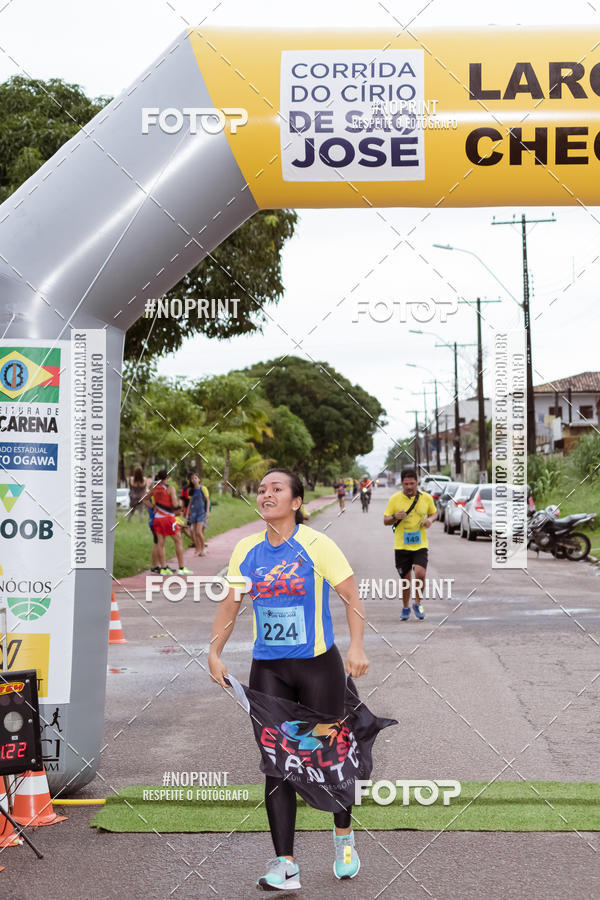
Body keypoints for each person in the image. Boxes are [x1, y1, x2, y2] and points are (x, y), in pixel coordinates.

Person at [209, 468, 370, 891]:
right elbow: (230, 605)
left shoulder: (317, 545)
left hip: (318, 668)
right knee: (277, 764)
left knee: (327, 758)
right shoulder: (246, 549)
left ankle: (344, 838)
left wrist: (356, 647)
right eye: (261, 489)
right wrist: (214, 651)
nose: (266, 494)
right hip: (269, 671)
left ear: (296, 502)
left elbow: (351, 596)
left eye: (276, 489)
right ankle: (286, 863)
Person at [383, 467, 437, 621]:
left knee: (420, 574)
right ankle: (406, 607)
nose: (409, 487)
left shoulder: (426, 498)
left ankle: (417, 603)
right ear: (401, 484)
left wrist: (430, 520)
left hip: (420, 544)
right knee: (406, 580)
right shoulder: (394, 499)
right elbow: (386, 521)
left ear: (417, 482)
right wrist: (395, 516)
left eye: (412, 483)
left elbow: (434, 513)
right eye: (406, 484)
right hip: (401, 546)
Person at [151, 469, 192, 575]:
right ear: (167, 477)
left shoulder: (154, 488)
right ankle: (181, 568)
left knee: (160, 543)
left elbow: (144, 499)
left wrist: (153, 506)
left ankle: (164, 568)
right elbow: (174, 504)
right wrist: (180, 508)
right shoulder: (170, 488)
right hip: (169, 518)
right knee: (178, 541)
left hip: (158, 518)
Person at [188, 472, 209, 556]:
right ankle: (197, 549)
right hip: (193, 513)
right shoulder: (191, 491)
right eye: (192, 478)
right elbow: (190, 503)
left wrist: (207, 511)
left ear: (199, 479)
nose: (194, 480)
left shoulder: (203, 488)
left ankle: (203, 548)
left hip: (201, 513)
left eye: (195, 478)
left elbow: (207, 501)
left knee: (199, 532)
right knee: (194, 532)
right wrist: (187, 514)